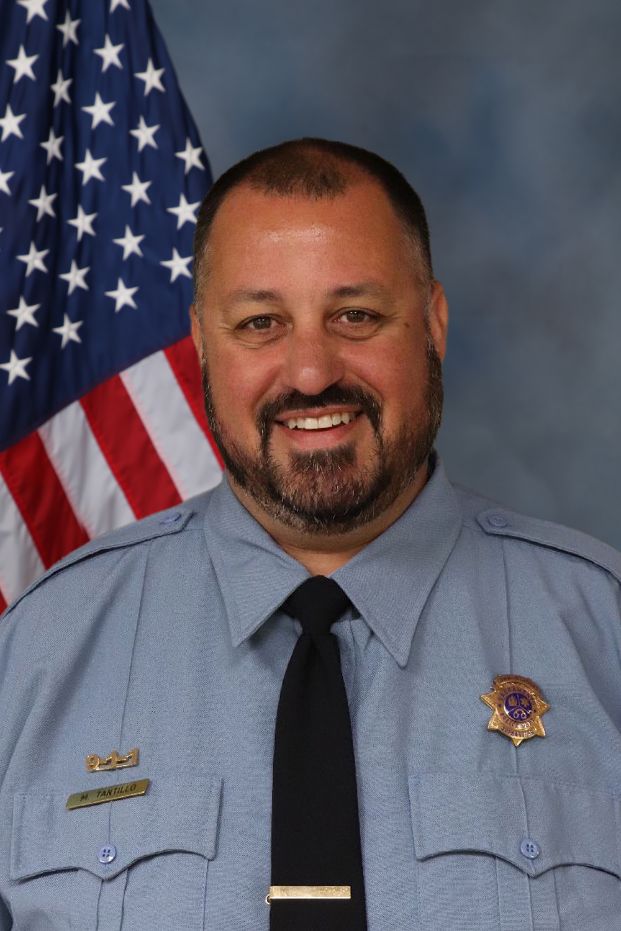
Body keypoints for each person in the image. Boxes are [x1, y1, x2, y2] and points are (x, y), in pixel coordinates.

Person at [1, 138, 620, 931]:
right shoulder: (35, 655)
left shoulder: (598, 632)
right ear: (199, 343)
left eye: (354, 315)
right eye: (261, 322)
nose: (309, 371)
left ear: (431, 322)